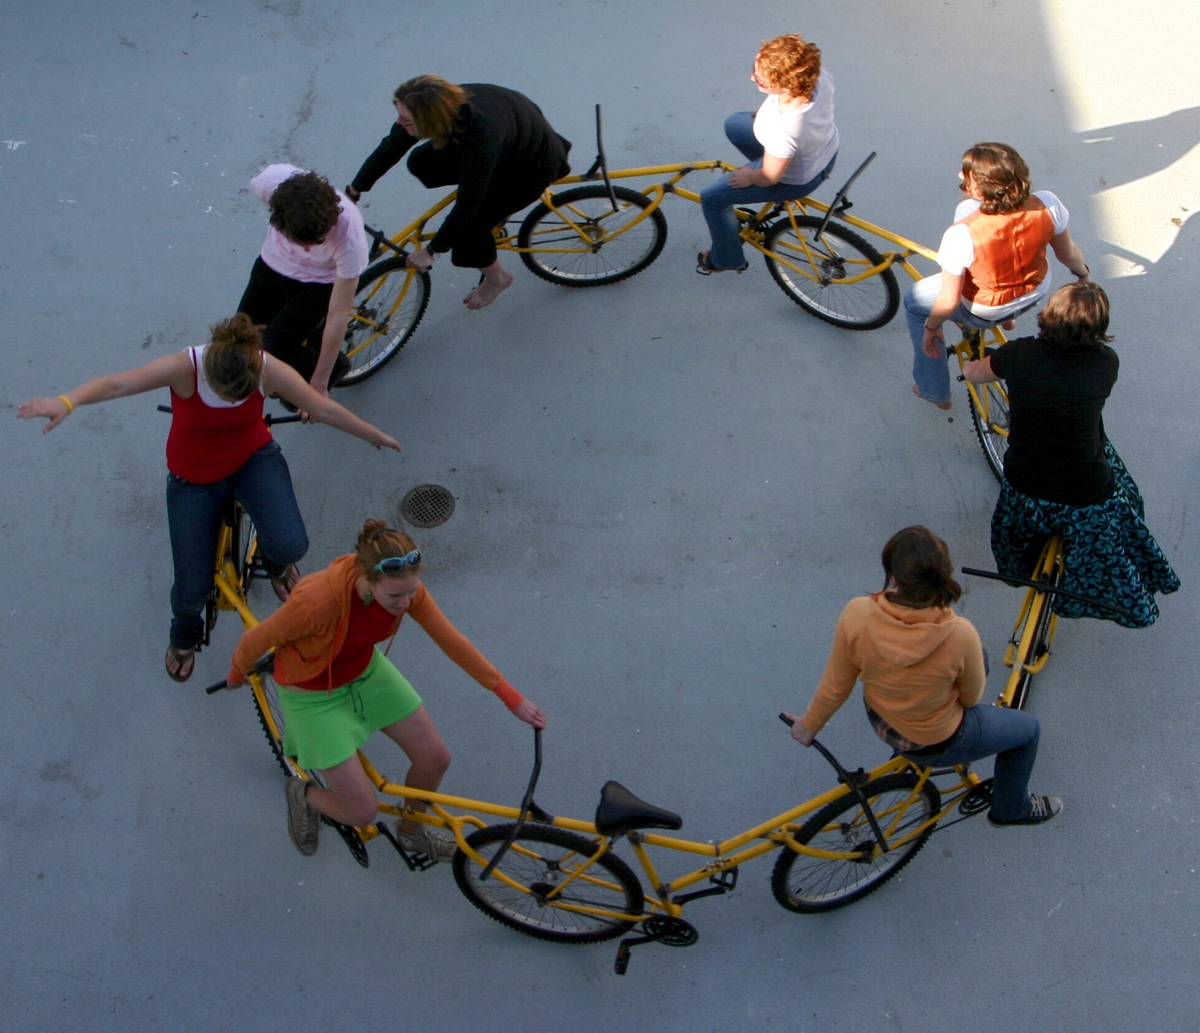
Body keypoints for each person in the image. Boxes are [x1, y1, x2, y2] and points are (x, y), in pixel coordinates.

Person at [18, 313, 401, 682]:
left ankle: (277, 566)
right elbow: (117, 384)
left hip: (251, 460)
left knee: (290, 544)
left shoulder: (266, 367)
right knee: (191, 591)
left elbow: (323, 407)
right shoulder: (183, 367)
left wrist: (373, 435)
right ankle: (184, 636)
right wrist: (65, 402)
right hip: (193, 479)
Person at [225, 519, 547, 860]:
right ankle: (303, 795)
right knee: (361, 812)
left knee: (435, 758)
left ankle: (411, 832)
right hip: (313, 694)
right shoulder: (318, 602)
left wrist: (509, 695)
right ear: (367, 577)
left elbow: (453, 642)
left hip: (365, 671)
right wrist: (235, 674)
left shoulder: (407, 590)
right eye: (395, 596)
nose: (407, 603)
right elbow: (256, 639)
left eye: (412, 592)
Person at [784, 526, 1062, 827]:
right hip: (936, 740)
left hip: (883, 719)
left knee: (969, 662)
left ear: (893, 576)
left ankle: (906, 760)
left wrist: (810, 724)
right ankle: (1011, 809)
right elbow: (971, 698)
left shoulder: (856, 613)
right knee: (1028, 730)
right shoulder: (960, 634)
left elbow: (836, 685)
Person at [964, 282, 1179, 627]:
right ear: (1098, 328)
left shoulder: (1018, 354)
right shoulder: (1105, 363)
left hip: (1026, 487)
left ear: (1049, 316)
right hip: (1086, 497)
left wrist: (967, 368)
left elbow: (976, 373)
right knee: (1125, 497)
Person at [345, 75, 571, 310]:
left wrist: (433, 250)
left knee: (469, 232)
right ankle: (486, 194)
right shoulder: (441, 105)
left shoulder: (481, 137)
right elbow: (391, 147)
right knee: (420, 162)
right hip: (508, 135)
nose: (398, 121)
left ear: (431, 119)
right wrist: (354, 190)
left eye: (405, 118)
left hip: (530, 165)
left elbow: (467, 203)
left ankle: (498, 278)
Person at [908, 142, 1090, 409]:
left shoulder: (961, 234)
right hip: (1035, 290)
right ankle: (1008, 320)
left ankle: (933, 390)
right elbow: (1068, 254)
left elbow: (948, 301)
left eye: (966, 173)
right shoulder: (1048, 203)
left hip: (985, 307)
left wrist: (931, 328)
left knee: (915, 304)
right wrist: (1083, 275)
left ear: (982, 188)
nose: (960, 175)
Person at [697, 33, 838, 274]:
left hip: (795, 178)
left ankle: (726, 259)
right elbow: (779, 103)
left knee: (712, 198)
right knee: (735, 124)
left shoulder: (787, 127)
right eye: (755, 67)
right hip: (823, 151)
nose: (752, 77)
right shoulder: (817, 76)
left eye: (762, 80)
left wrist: (750, 177)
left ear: (787, 84)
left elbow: (770, 177)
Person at [237, 164, 369, 396]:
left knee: (272, 350)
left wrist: (319, 380)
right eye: (300, 240)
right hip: (272, 264)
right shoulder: (269, 183)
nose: (308, 249)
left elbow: (338, 315)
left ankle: (336, 365)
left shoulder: (350, 238)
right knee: (240, 337)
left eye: (317, 241)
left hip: (318, 283)